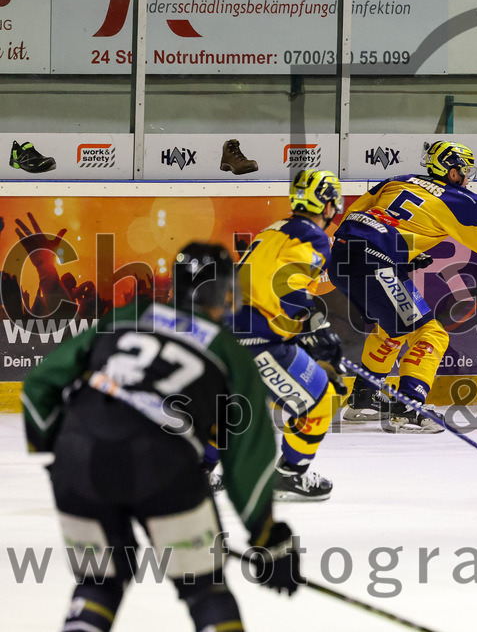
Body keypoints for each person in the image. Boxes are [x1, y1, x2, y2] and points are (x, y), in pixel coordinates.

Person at [21, 242, 301, 632]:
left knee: (98, 583)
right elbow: (247, 454)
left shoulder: (127, 316)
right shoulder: (228, 350)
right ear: (221, 292)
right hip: (163, 466)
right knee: (205, 590)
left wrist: (61, 446)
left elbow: (38, 384)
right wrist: (266, 533)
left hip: (79, 460)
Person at [329, 140, 477, 433]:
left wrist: (401, 252)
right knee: (430, 332)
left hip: (341, 256)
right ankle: (408, 406)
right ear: (452, 173)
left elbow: (361, 216)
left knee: (396, 326)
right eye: (465, 171)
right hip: (376, 263)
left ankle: (364, 396)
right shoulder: (459, 201)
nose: (468, 178)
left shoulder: (397, 181)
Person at [228, 169, 347, 501]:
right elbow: (289, 288)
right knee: (319, 403)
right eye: (334, 201)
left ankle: (203, 470)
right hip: (256, 339)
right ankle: (289, 475)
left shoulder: (274, 230)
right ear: (326, 204)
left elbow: (265, 287)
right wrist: (316, 329)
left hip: (237, 331)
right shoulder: (313, 236)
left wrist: (303, 334)